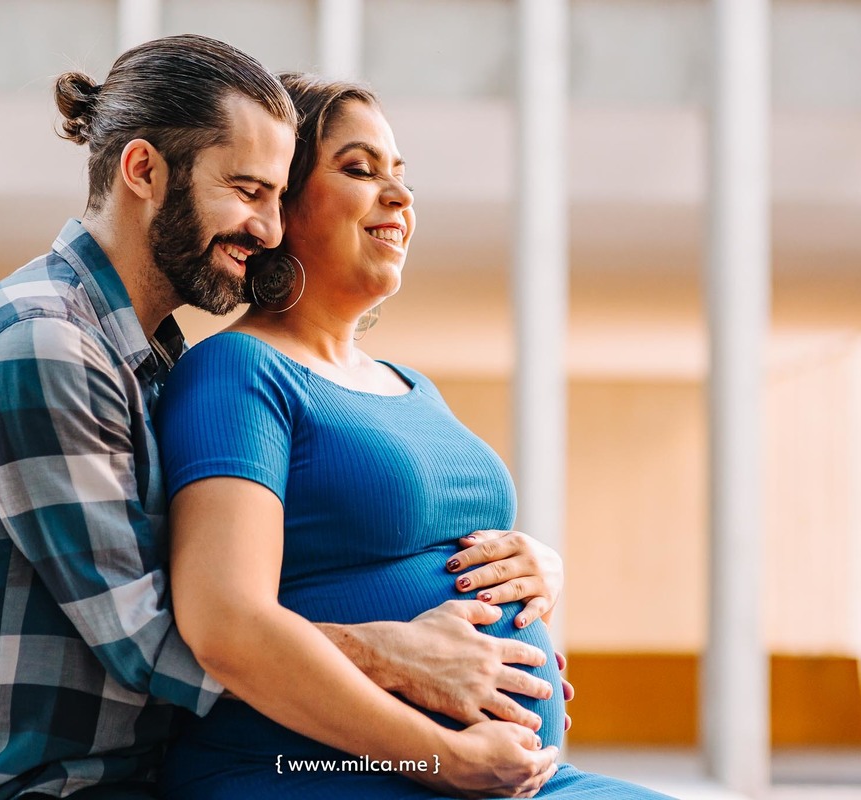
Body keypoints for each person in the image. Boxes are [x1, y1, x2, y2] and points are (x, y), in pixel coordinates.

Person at [0, 35, 572, 800]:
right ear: (143, 170)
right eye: (247, 191)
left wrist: (516, 581)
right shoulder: (42, 345)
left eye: (279, 197)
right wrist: (397, 657)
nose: (271, 230)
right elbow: (155, 642)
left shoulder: (150, 360)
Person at [155, 73, 676, 799]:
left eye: (401, 177)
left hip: (495, 775)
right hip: (314, 770)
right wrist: (442, 755)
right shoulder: (239, 372)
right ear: (281, 204)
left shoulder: (411, 386)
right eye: (359, 170)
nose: (398, 198)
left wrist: (535, 571)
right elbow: (226, 625)